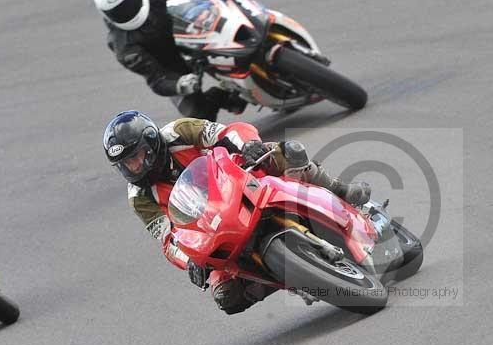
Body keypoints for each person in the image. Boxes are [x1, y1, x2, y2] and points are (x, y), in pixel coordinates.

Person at [102, 111, 371, 314]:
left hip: (239, 178)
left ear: (152, 143)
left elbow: (225, 132)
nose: (135, 167)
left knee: (288, 152)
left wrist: (248, 144)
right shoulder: (139, 198)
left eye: (138, 156)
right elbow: (168, 238)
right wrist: (190, 260)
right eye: (126, 164)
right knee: (226, 297)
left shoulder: (178, 132)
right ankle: (294, 276)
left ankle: (339, 189)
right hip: (210, 227)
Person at [93, 0, 252, 121]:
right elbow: (156, 79)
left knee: (238, 1)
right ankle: (222, 96)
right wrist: (180, 85)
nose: (127, 10)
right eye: (119, 10)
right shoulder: (123, 47)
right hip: (173, 67)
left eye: (130, 1)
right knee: (198, 117)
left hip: (196, 31)